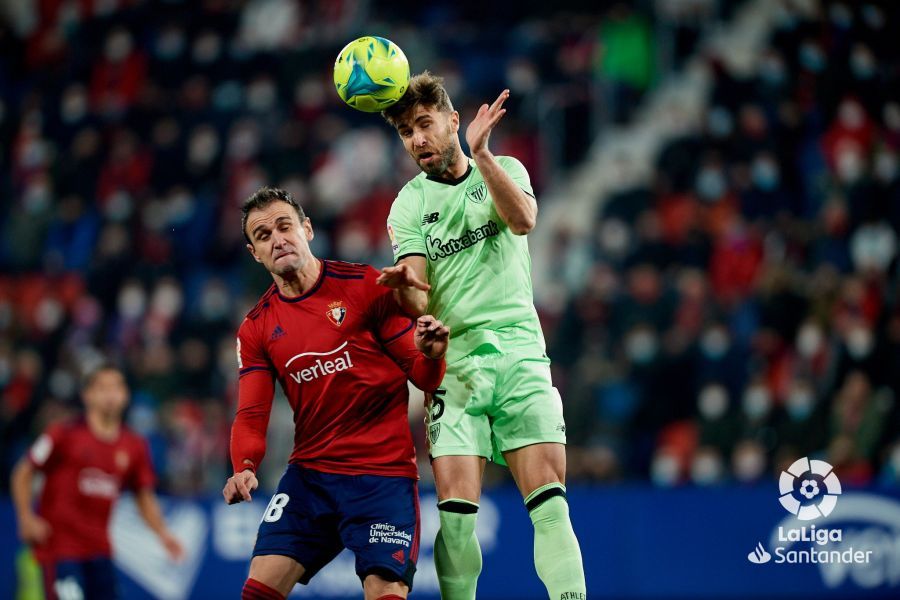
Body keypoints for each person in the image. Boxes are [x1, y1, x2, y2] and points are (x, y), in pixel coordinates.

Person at [378, 72, 587, 600]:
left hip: (520, 352)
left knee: (549, 503)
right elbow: (419, 295)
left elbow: (523, 220)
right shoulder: (407, 205)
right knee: (456, 517)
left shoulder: (506, 167)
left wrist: (483, 155)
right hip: (455, 363)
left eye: (424, 124)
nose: (417, 139)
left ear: (452, 121)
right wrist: (407, 296)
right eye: (405, 132)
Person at [222, 187, 450, 600]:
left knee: (386, 593)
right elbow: (251, 414)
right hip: (312, 476)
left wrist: (432, 355)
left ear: (307, 229)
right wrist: (244, 465)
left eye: (284, 226)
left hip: (382, 476)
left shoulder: (364, 286)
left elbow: (424, 377)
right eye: (263, 235)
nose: (277, 239)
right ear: (255, 253)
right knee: (256, 592)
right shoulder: (256, 327)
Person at [10, 363, 184, 600]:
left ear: (125, 395)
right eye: (103, 388)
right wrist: (25, 516)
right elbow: (23, 471)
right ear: (87, 395)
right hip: (61, 549)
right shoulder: (63, 434)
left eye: (116, 387)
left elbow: (143, 495)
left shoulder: (133, 445)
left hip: (100, 549)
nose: (111, 394)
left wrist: (163, 533)